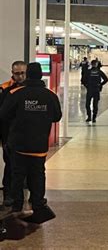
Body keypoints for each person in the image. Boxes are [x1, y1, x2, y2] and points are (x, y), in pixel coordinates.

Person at [0, 62, 62, 223]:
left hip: (19, 145)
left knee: (17, 175)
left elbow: (3, 114)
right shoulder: (50, 95)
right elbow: (57, 116)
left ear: (28, 75)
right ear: (41, 75)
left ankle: (17, 207)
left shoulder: (16, 93)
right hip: (39, 145)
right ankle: (38, 205)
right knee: (38, 175)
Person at [0, 61, 27, 206]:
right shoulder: (5, 90)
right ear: (12, 73)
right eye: (17, 73)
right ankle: (8, 195)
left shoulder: (32, 89)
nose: (21, 76)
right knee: (10, 165)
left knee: (26, 167)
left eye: (23, 73)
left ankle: (21, 196)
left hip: (27, 136)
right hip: (9, 136)